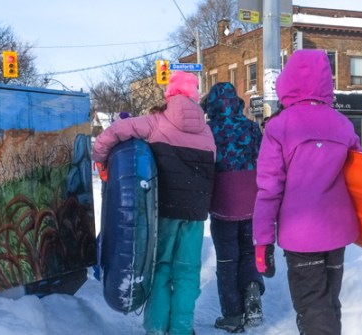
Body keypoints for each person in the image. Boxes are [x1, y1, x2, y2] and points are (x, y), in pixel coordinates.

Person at [92, 71, 216, 335]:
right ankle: (182, 329)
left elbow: (114, 133)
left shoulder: (156, 121)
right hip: (195, 213)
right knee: (187, 273)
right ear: (195, 96)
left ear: (169, 94)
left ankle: (157, 329)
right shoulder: (207, 132)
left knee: (161, 269)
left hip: (164, 211)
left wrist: (100, 158)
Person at [252, 49, 362, 335]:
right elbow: (361, 184)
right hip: (338, 231)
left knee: (312, 306)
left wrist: (263, 241)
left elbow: (269, 189)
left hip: (301, 235)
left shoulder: (279, 127)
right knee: (327, 304)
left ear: (287, 81)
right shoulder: (344, 125)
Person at [201, 82, 264, 333]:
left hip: (223, 203)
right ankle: (251, 289)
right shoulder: (250, 126)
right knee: (249, 252)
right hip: (252, 199)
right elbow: (262, 156)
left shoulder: (209, 130)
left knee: (227, 259)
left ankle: (233, 315)